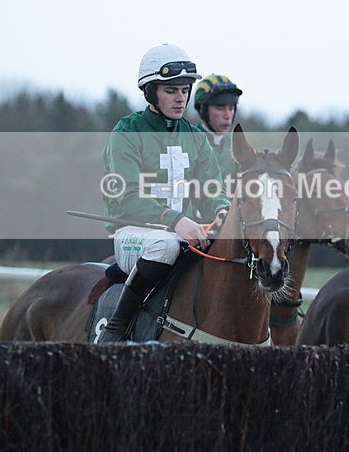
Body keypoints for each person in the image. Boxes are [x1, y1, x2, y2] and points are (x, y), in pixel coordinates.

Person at [99, 43, 230, 342]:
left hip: (183, 232)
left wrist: (222, 209)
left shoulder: (196, 137)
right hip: (133, 234)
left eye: (184, 90)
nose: (180, 97)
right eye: (171, 90)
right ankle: (115, 330)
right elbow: (127, 197)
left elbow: (211, 189)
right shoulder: (127, 132)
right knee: (165, 245)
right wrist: (175, 220)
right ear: (150, 92)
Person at [193, 74, 242, 189]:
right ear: (203, 110)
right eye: (220, 108)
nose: (227, 116)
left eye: (231, 108)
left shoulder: (237, 146)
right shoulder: (188, 142)